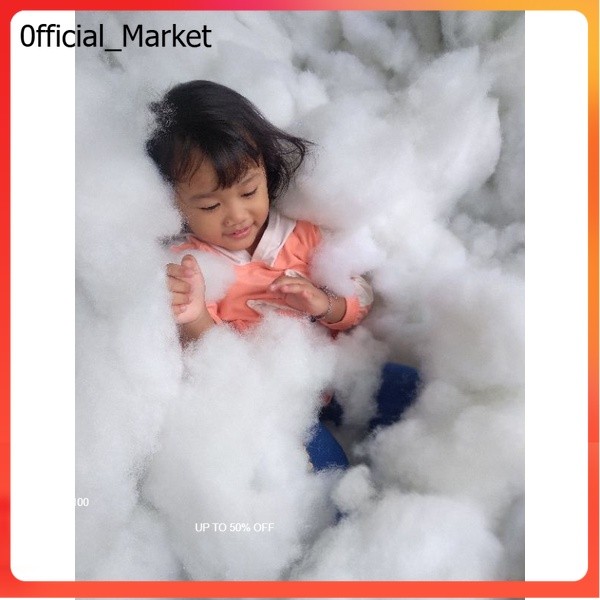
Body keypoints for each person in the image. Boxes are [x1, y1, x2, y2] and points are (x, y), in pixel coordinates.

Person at [146, 80, 419, 471]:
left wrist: (325, 304)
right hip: (275, 411)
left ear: (266, 172)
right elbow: (212, 366)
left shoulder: (302, 235)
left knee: (415, 392)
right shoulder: (192, 268)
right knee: (327, 470)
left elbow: (361, 300)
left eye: (248, 192)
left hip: (334, 375)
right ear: (172, 204)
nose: (237, 215)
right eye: (210, 206)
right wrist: (195, 316)